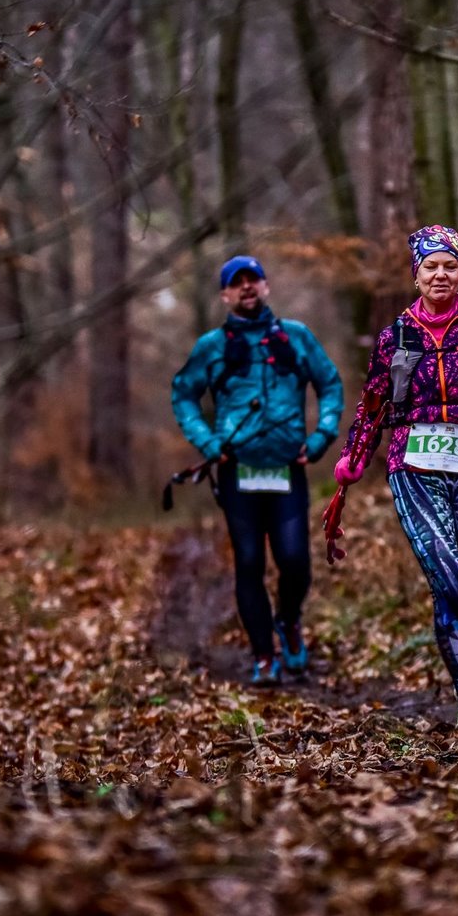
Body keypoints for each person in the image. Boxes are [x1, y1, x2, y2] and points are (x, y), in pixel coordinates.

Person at [334, 225, 458, 731]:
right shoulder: (396, 336)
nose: (441, 274)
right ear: (417, 274)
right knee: (448, 583)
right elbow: (373, 405)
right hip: (414, 465)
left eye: (449, 265)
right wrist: (354, 456)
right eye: (431, 266)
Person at [171, 255, 344, 686]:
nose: (247, 287)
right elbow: (183, 395)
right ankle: (265, 655)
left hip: (288, 468)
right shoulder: (212, 346)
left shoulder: (296, 337)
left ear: (266, 287)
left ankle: (288, 621)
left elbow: (330, 384)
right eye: (237, 282)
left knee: (295, 562)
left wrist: (322, 436)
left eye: (254, 280)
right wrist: (209, 444)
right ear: (225, 294)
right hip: (237, 473)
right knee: (248, 562)